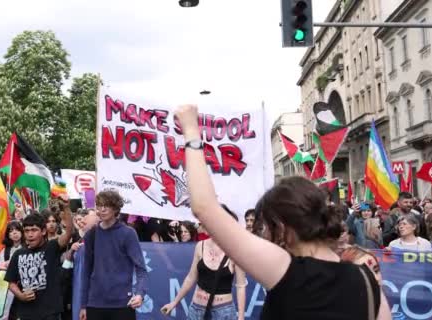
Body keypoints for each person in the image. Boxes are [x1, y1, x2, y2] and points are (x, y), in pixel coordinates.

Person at [174, 104, 391, 320]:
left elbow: (204, 207)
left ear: (282, 227)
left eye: (265, 227)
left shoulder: (285, 270)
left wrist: (191, 131)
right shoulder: (367, 279)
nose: (264, 235)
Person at [161, 206, 246, 320]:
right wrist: (174, 302)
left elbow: (240, 286)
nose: (202, 223)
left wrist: (241, 317)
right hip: (196, 310)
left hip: (223, 312)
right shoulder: (200, 246)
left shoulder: (236, 250)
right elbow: (191, 278)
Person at [79, 191, 148, 320]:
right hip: (95, 304)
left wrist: (139, 294)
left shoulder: (128, 233)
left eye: (107, 205)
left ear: (116, 208)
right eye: (99, 205)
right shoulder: (91, 235)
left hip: (122, 304)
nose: (102, 209)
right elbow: (86, 272)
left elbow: (141, 268)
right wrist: (83, 304)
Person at [5, 195, 73, 320]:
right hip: (26, 313)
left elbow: (69, 232)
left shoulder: (52, 247)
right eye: (26, 231)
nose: (30, 234)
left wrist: (67, 208)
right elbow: (11, 282)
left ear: (43, 231)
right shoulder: (18, 254)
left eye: (34, 230)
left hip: (50, 313)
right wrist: (20, 295)